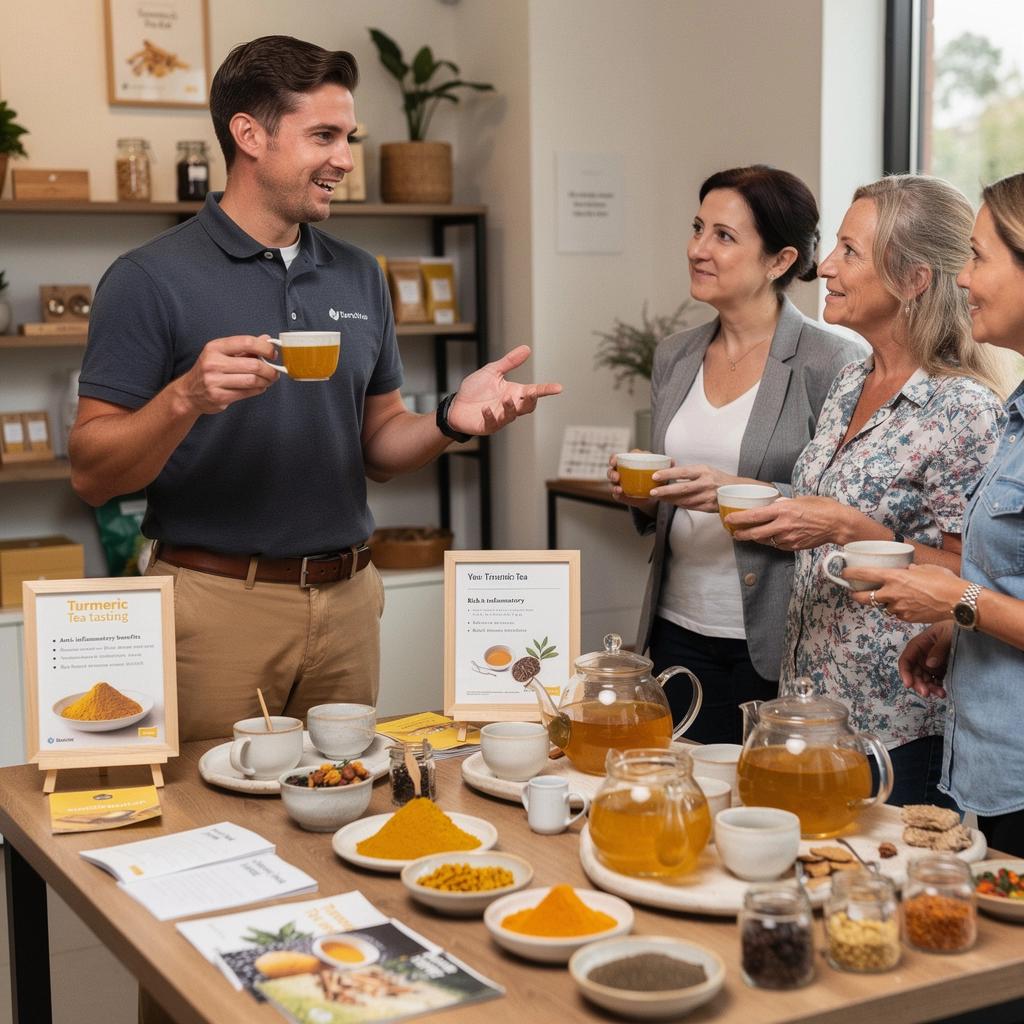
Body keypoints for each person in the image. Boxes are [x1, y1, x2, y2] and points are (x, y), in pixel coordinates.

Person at [69, 36, 561, 744]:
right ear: (249, 136)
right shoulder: (148, 279)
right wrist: (185, 398)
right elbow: (91, 473)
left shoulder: (361, 274)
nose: (345, 160)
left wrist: (451, 419)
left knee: (340, 805)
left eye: (349, 137)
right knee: (208, 822)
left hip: (351, 602)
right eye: (324, 136)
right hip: (214, 607)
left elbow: (381, 444)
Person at [727, 175, 1009, 807]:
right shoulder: (851, 379)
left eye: (849, 252)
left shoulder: (961, 409)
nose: (825, 266)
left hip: (896, 732)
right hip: (809, 709)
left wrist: (852, 530)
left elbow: (977, 578)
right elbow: (829, 509)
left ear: (913, 279)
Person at [608, 165, 861, 744]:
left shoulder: (834, 363)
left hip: (772, 638)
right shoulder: (675, 355)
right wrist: (641, 495)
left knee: (758, 802)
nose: (698, 249)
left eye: (724, 236)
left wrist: (730, 489)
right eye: (698, 228)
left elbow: (844, 508)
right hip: (674, 624)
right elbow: (667, 498)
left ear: (779, 261)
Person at [852, 172, 1024, 856]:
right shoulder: (1017, 413)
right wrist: (957, 631)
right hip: (990, 764)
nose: (964, 280)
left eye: (979, 258)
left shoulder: (972, 406)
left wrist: (962, 601)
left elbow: (982, 588)